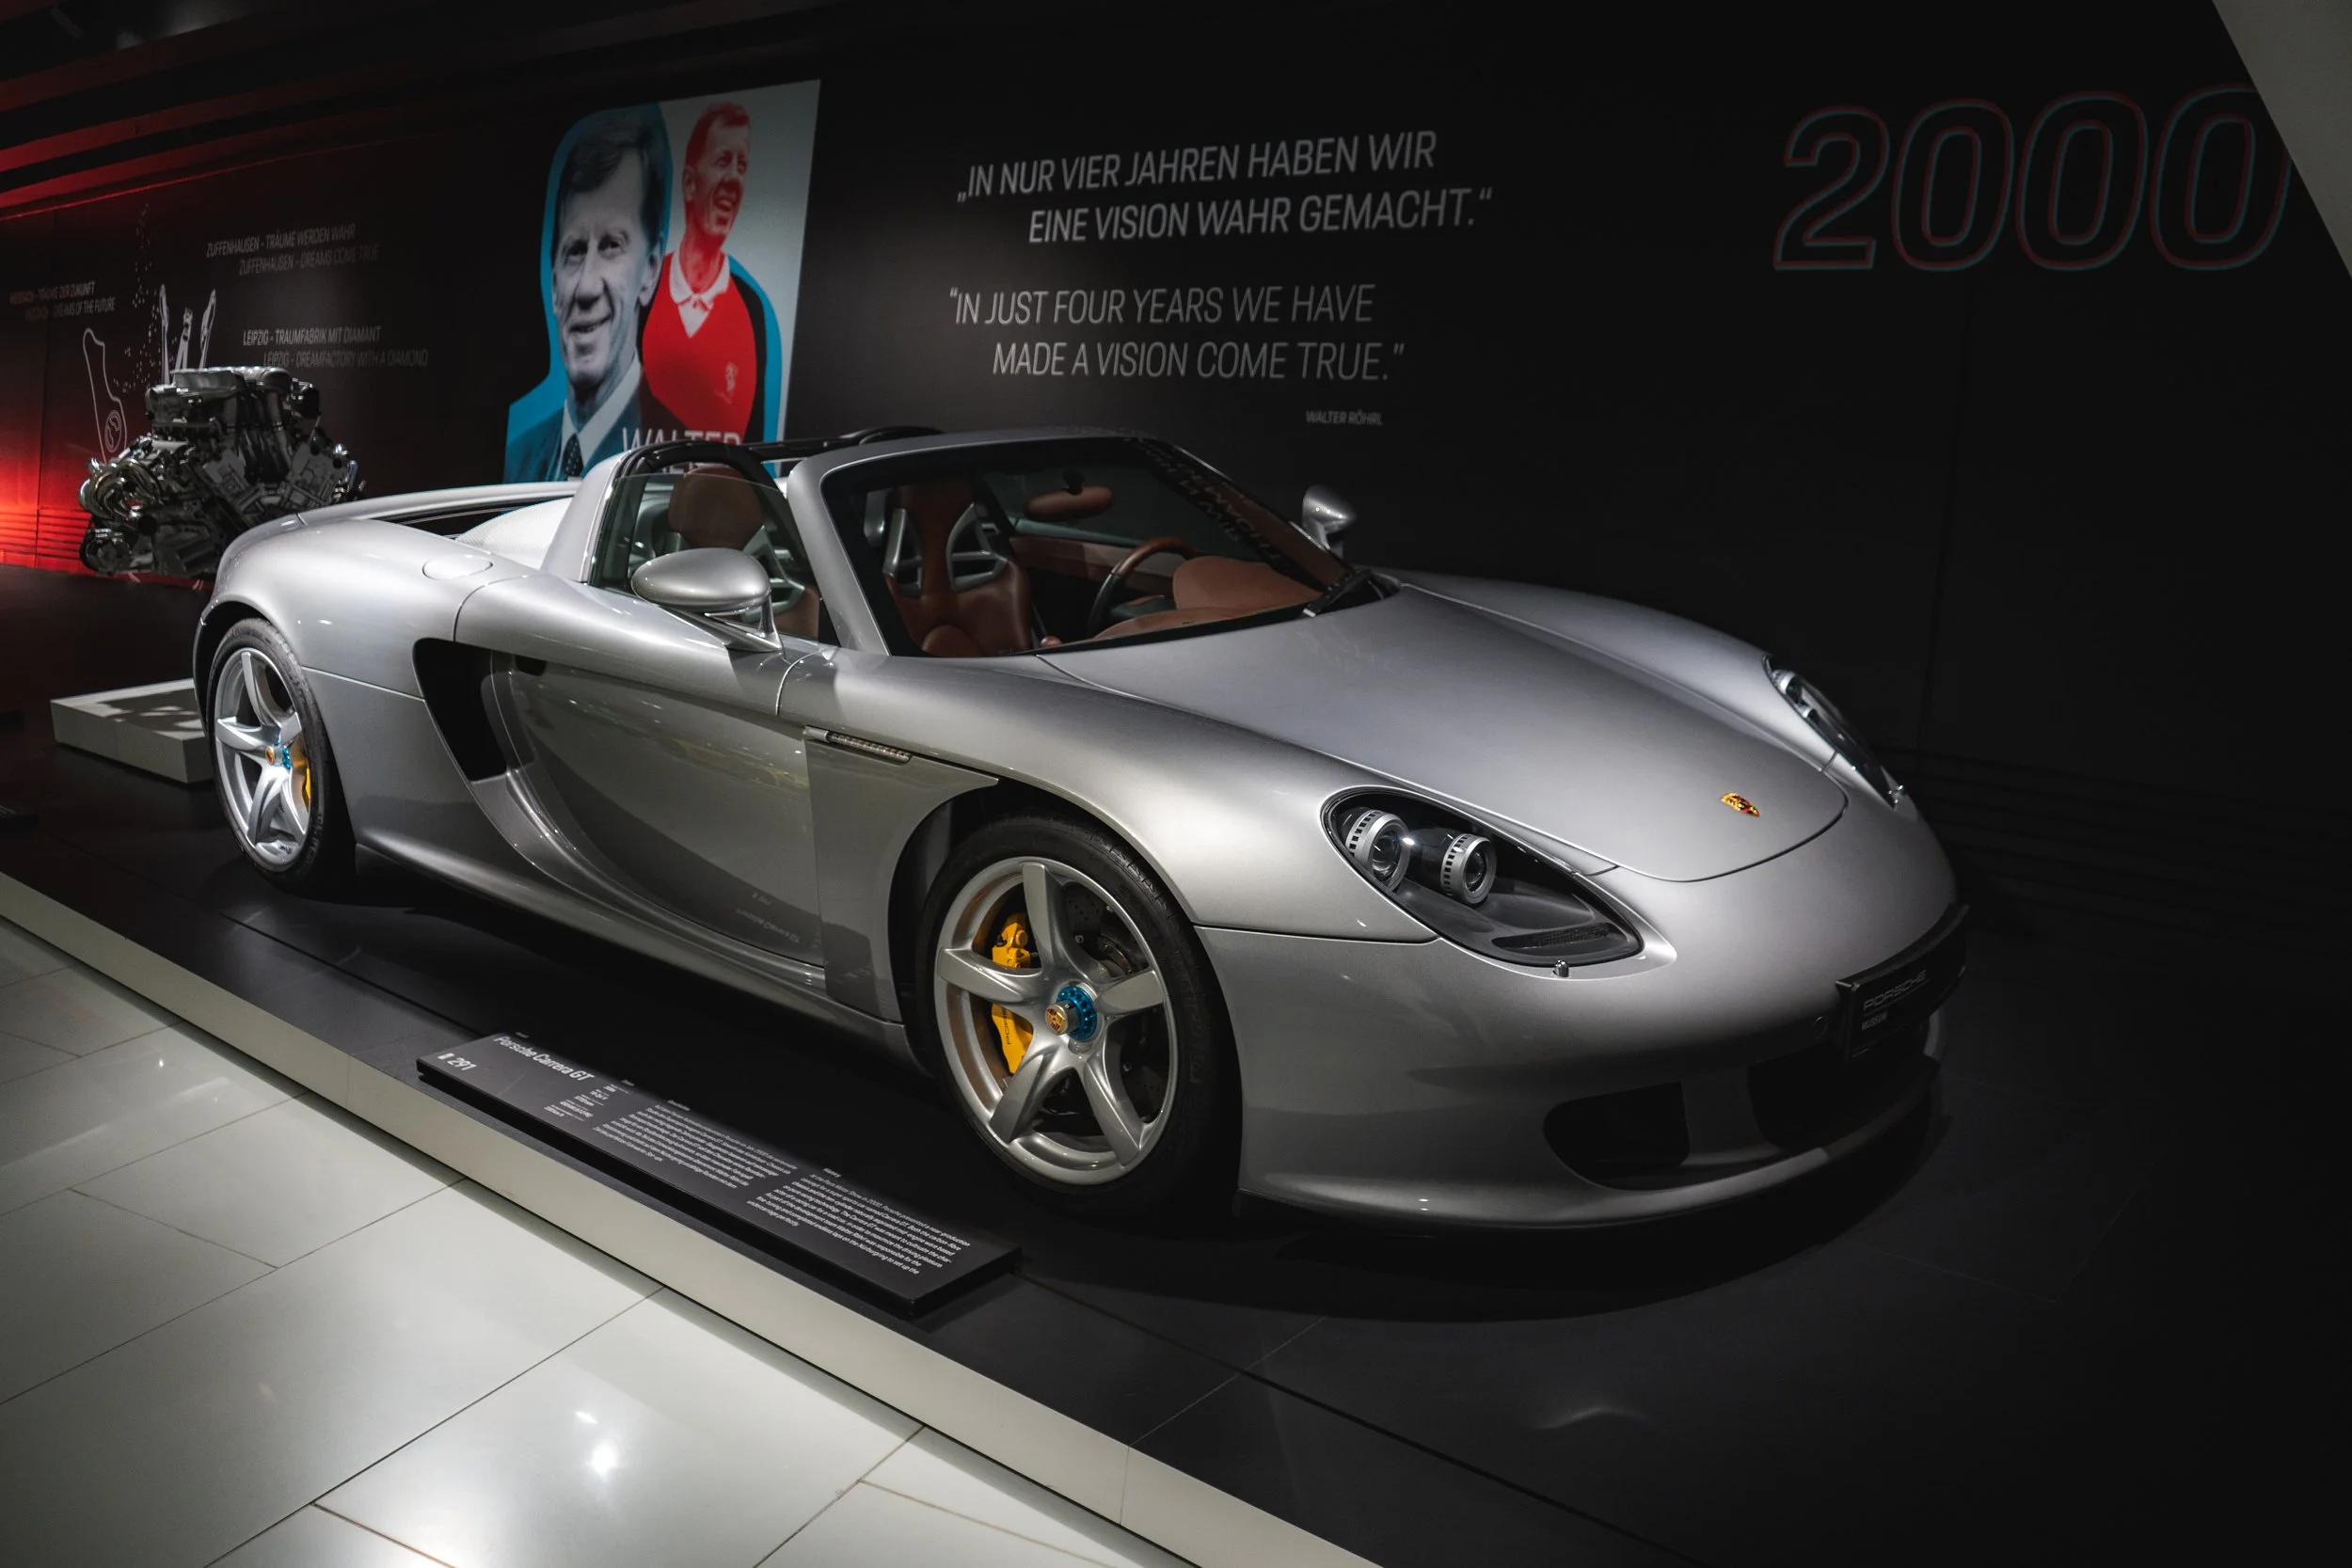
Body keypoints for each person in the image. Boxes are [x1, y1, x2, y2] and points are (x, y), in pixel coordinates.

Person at [505, 108, 683, 482]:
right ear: (553, 281)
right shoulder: (517, 459)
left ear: (650, 271)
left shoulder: (678, 468)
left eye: (612, 246)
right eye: (574, 250)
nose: (586, 288)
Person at [640, 103, 779, 445]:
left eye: (742, 165)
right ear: (689, 183)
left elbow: (754, 453)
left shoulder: (752, 310)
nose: (734, 178)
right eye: (722, 161)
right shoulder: (644, 287)